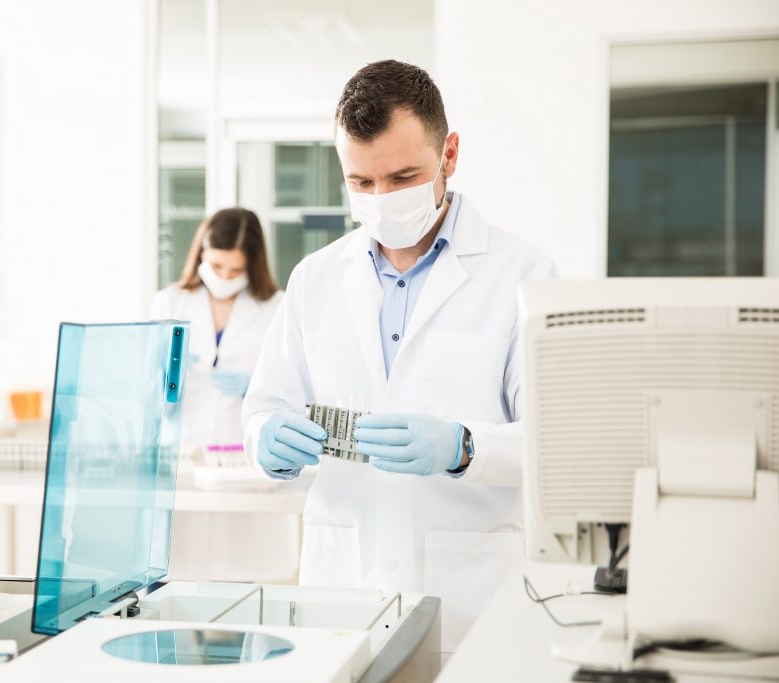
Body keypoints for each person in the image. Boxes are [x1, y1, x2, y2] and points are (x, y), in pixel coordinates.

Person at [242, 60, 557, 660]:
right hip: (341, 593)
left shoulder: (523, 275)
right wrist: (266, 439)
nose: (382, 199)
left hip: (468, 596)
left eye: (403, 176)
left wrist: (465, 448)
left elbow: (558, 446)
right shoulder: (316, 278)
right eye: (361, 183)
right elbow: (268, 404)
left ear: (450, 155)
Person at [152, 207, 283, 448]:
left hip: (243, 450)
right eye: (216, 266)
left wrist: (251, 389)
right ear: (201, 254)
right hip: (183, 448)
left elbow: (289, 389)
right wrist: (165, 378)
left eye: (236, 270)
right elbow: (148, 393)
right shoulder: (169, 302)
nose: (224, 277)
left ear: (253, 265)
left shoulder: (276, 308)